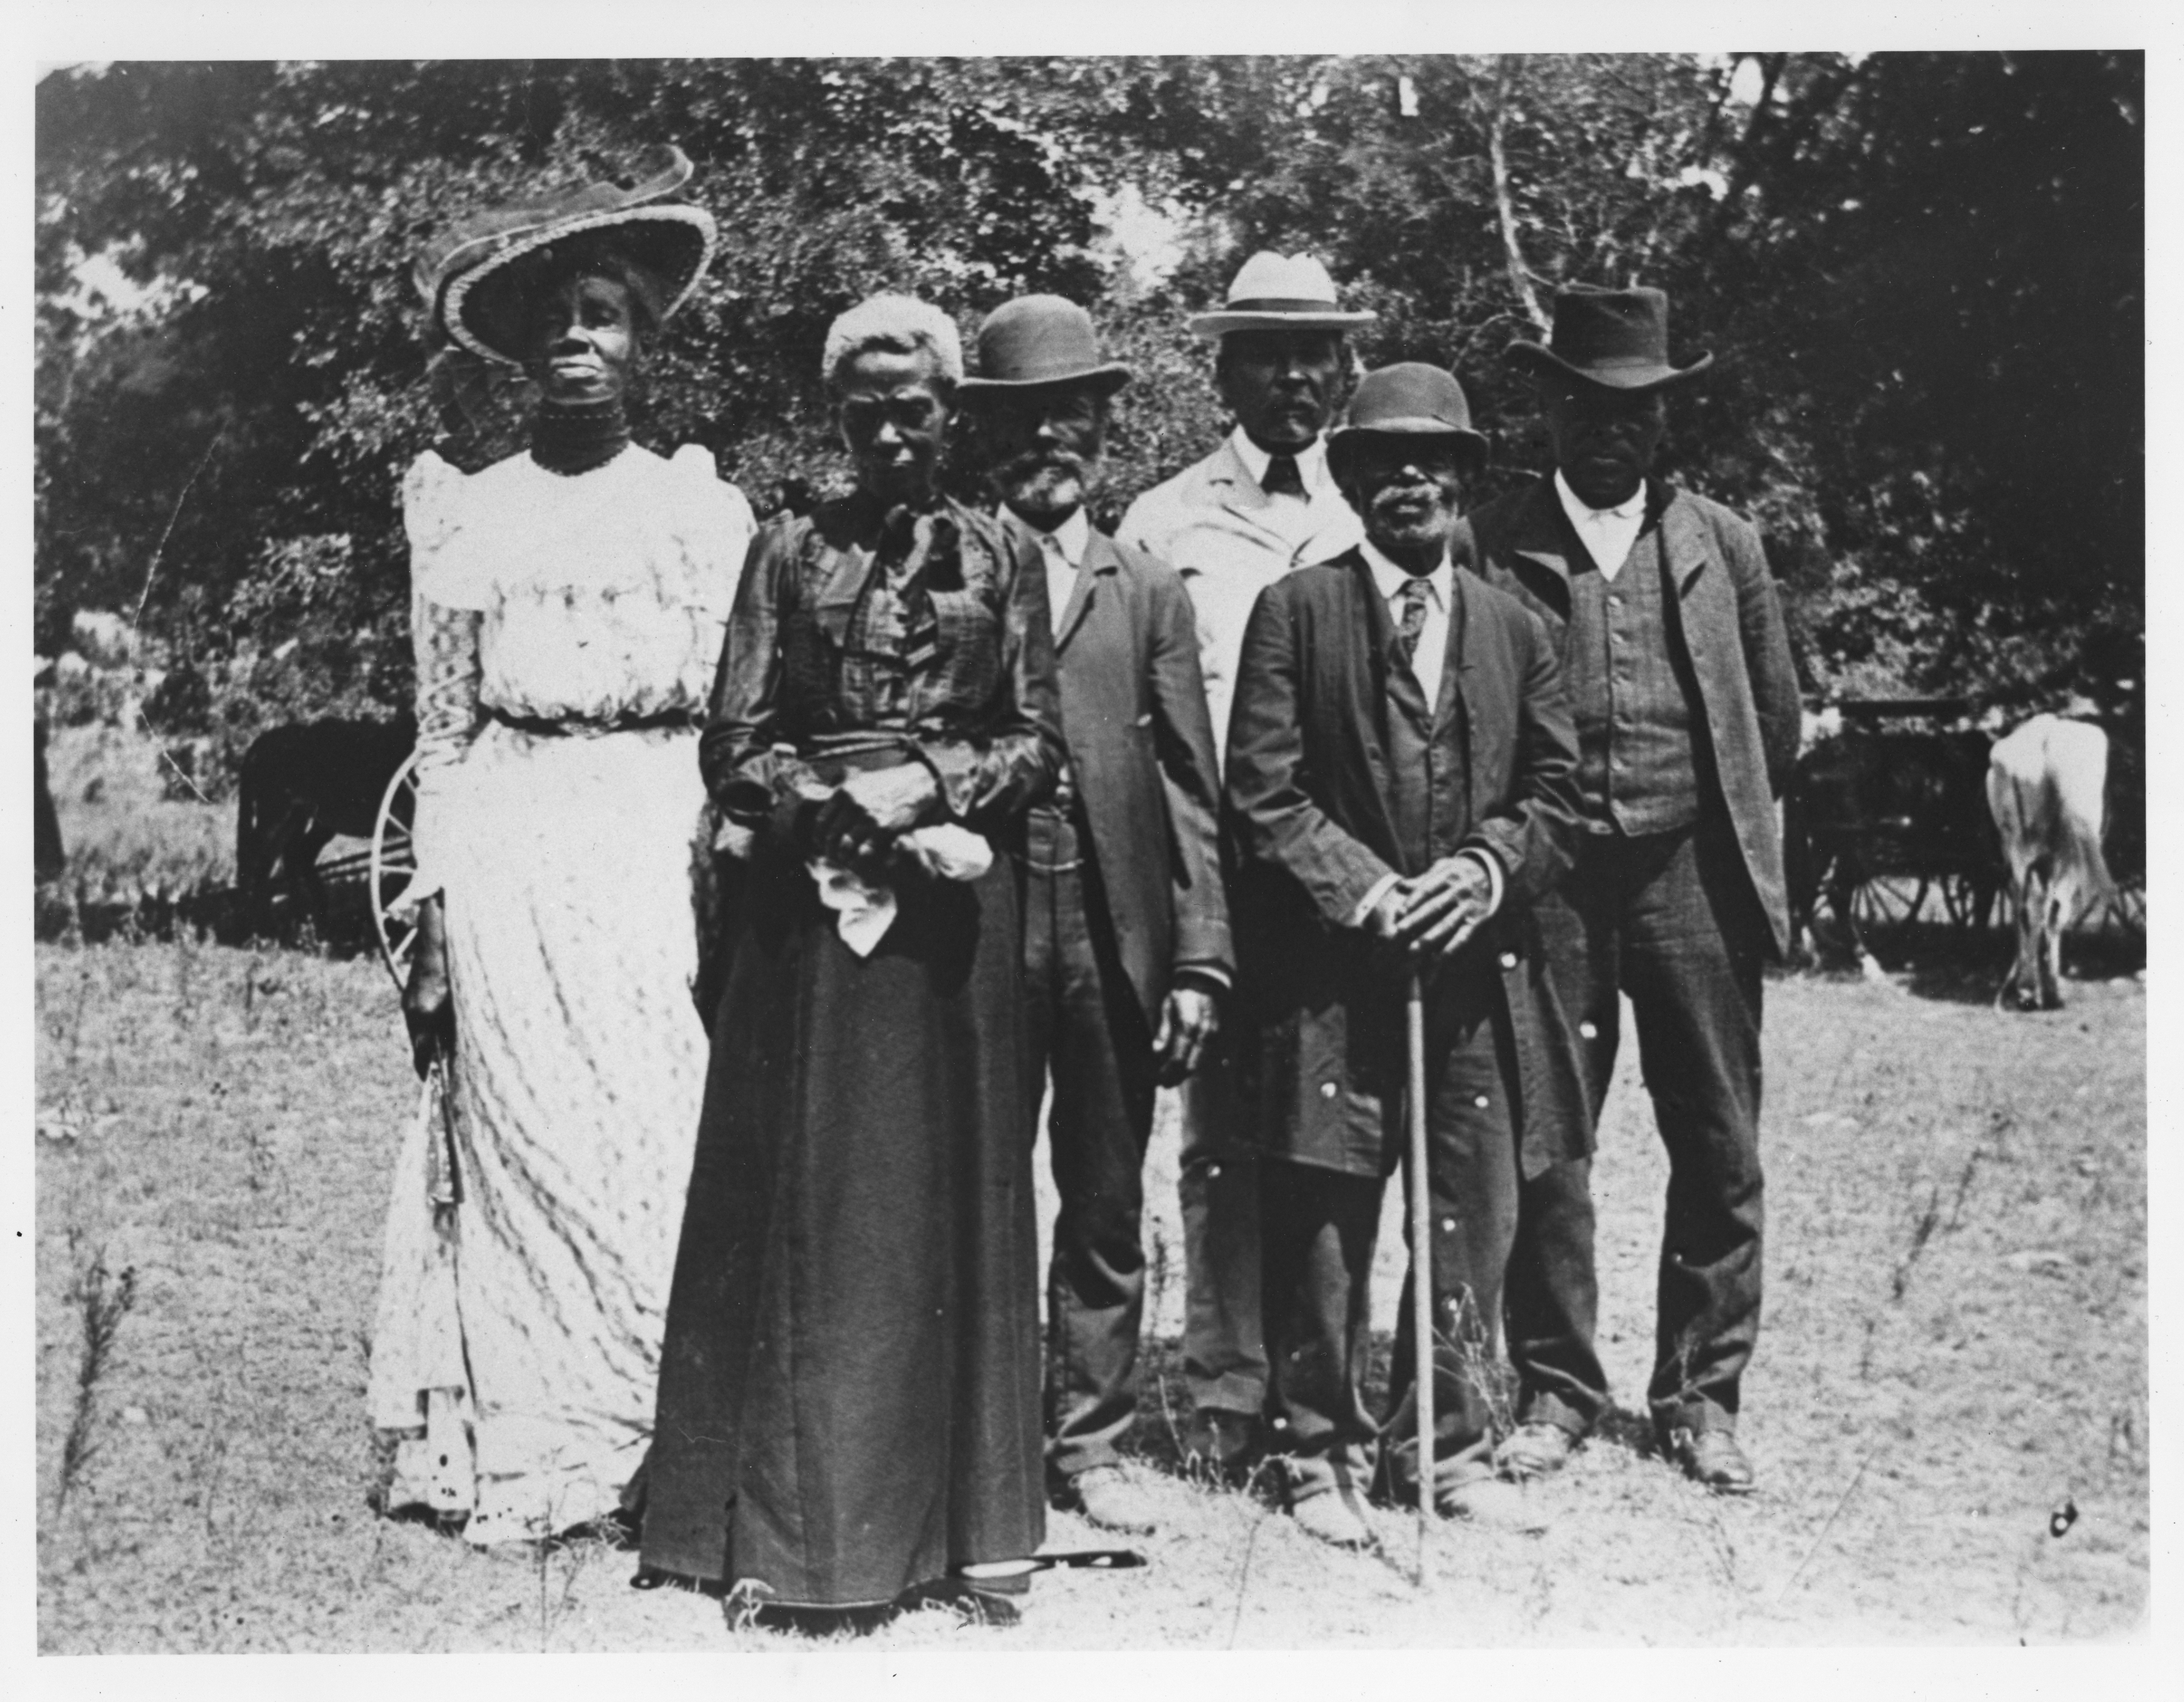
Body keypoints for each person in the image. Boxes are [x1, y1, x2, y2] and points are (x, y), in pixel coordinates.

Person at [639, 294, 1066, 1622]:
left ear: (952, 414)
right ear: (837, 418)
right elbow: (734, 739)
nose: (892, 429)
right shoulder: (783, 551)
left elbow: (1037, 741)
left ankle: (949, 1535)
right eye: (865, 409)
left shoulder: (1004, 555)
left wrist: (928, 786)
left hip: (949, 931)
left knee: (943, 1207)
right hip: (806, 925)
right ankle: (788, 1535)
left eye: (915, 407)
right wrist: (838, 815)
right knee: (809, 1206)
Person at [367, 146, 756, 1543]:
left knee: (651, 1126)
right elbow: (448, 729)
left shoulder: (700, 512)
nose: (577, 344)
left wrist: (727, 870)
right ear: (523, 356)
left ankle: (660, 1430)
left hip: (654, 841)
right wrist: (437, 909)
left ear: (646, 344)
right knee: (524, 1134)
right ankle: (536, 1440)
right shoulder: (470, 510)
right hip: (519, 840)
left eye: (604, 316)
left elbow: (735, 724)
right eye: (557, 323)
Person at [1224, 362, 1583, 1547]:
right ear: (1351, 479)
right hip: (1333, 976)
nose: (1408, 481)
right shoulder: (1298, 611)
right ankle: (1309, 1451)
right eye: (1382, 463)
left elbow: (1556, 794)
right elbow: (1263, 797)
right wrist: (1369, 891)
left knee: (1466, 1214)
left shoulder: (1516, 627)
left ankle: (1446, 1447)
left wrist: (1481, 872)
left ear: (1467, 482)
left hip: (1473, 976)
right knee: (1325, 1209)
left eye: (1433, 462)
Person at [1467, 284, 1801, 1495]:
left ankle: (1701, 1398)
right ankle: (1554, 1387)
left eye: (1638, 409)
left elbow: (1774, 720)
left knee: (1716, 1140)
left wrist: (1713, 833)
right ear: (1549, 407)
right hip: (1547, 885)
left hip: (1691, 876)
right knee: (1547, 1144)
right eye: (1587, 404)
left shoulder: (1724, 545)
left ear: (1664, 421)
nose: (1611, 429)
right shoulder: (1488, 539)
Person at [958, 295, 1232, 1535]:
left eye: (1068, 417)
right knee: (977, 1181)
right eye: (1020, 422)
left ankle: (1094, 1437)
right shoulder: (948, 566)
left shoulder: (1151, 587)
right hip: (979, 922)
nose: (1046, 443)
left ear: (1102, 430)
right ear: (986, 436)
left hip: (1116, 925)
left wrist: (1199, 962)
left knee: (1105, 1194)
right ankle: (979, 1429)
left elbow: (1190, 783)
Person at [1115, 251, 1370, 1476]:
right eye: (1266, 351)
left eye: (1314, 353)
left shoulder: (1376, 506)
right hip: (1212, 872)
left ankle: (1329, 1381)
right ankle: (1223, 1389)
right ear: (1222, 367)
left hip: (1340, 876)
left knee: (1330, 1135)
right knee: (1219, 1135)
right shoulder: (1163, 521)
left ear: (1343, 367)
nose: (1293, 377)